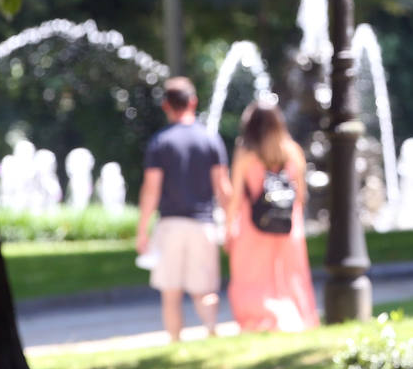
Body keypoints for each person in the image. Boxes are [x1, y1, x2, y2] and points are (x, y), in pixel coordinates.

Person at [136, 76, 232, 342]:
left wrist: (142, 229)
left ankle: (175, 342)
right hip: (204, 224)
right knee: (205, 290)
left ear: (166, 106)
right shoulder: (210, 139)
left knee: (171, 292)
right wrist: (231, 223)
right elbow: (223, 187)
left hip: (170, 225)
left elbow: (151, 189)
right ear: (193, 102)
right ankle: (211, 330)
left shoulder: (160, 142)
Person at [226, 100, 319, 331]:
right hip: (288, 224)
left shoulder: (246, 154)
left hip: (253, 225)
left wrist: (228, 227)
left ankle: (260, 320)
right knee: (291, 274)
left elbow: (235, 197)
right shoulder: (292, 151)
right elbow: (301, 195)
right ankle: (297, 318)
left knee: (253, 275)